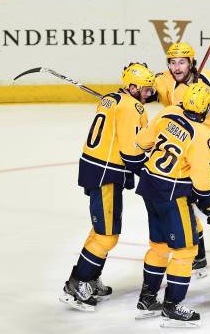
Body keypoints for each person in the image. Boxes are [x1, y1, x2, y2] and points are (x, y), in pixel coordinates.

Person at [59, 63, 155, 312]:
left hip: (95, 168)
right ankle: (77, 283)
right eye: (144, 89)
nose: (148, 94)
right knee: (107, 234)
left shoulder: (112, 100)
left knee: (100, 230)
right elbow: (131, 151)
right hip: (106, 173)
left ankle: (88, 278)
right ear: (132, 87)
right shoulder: (131, 107)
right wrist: (149, 171)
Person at [152, 42, 210, 278]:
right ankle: (198, 256)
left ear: (192, 62)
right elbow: (145, 90)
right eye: (172, 62)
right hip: (191, 147)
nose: (176, 67)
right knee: (189, 205)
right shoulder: (164, 80)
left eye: (182, 62)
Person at [135, 82, 210, 327]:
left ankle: (147, 299)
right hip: (172, 194)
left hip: (150, 186)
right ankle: (172, 307)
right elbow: (203, 184)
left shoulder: (168, 111)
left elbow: (141, 143)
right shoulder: (203, 135)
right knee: (185, 251)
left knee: (159, 246)